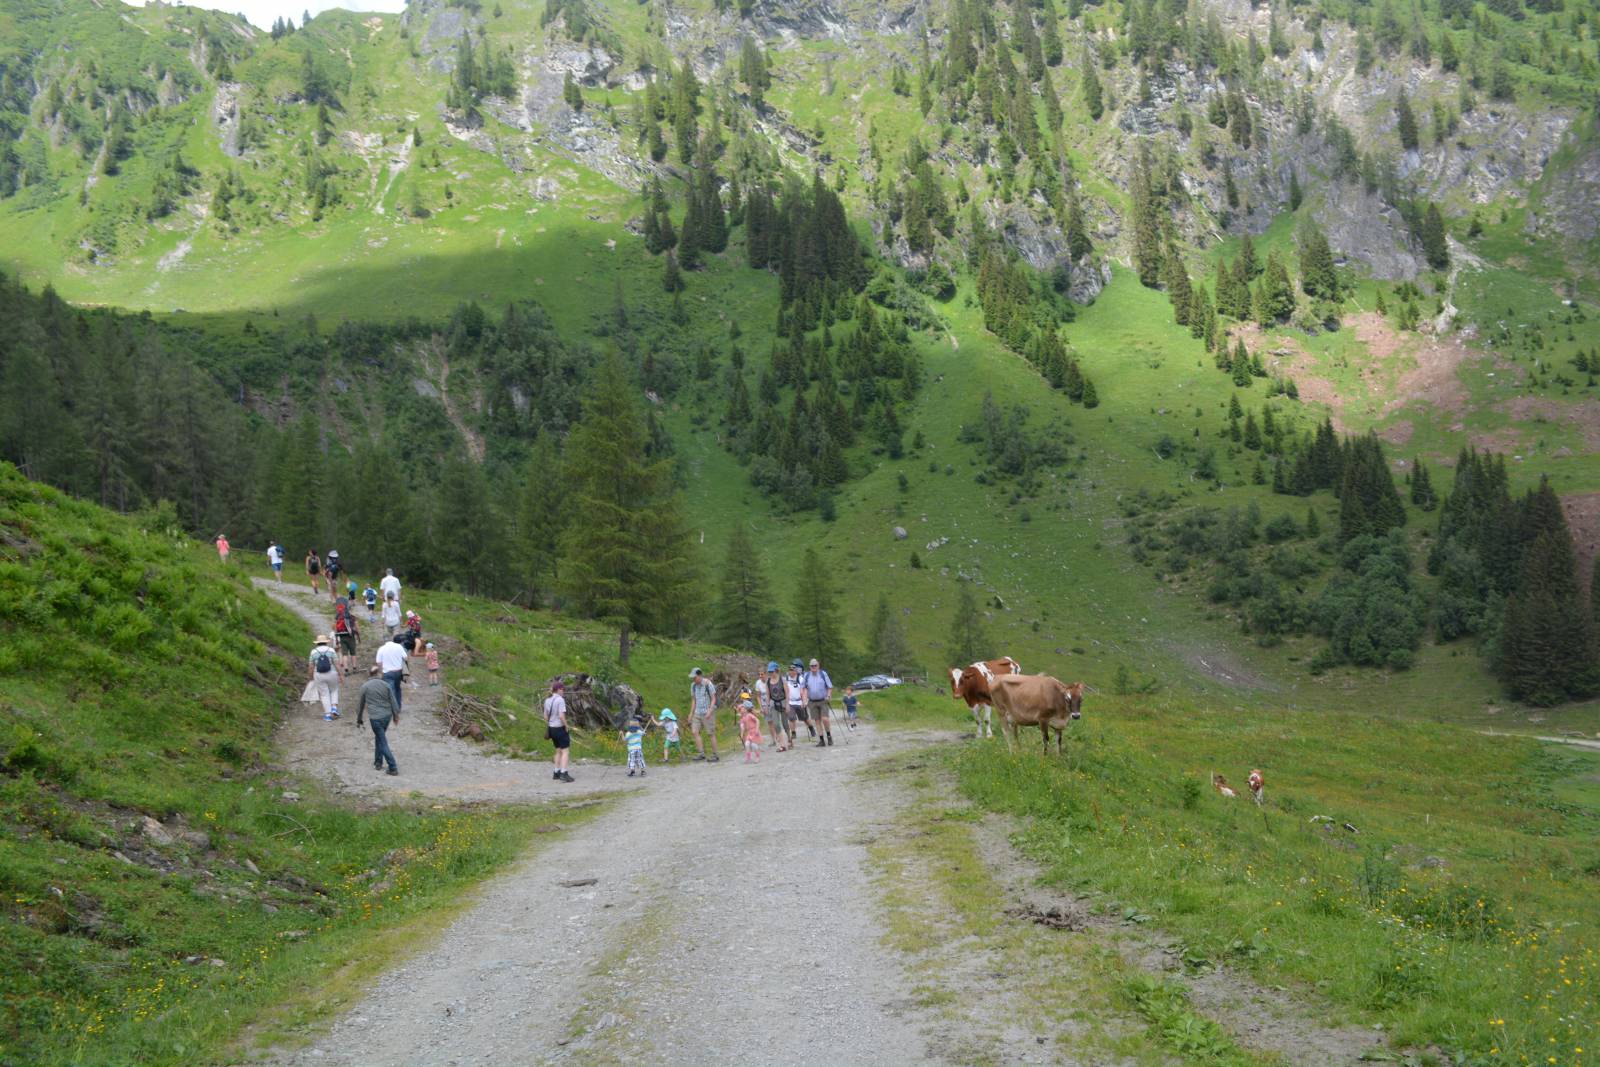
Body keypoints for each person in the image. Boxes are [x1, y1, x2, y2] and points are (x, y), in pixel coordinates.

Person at [355, 665, 400, 776]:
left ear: (369, 674)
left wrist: (359, 719)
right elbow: (394, 702)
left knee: (382, 741)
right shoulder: (386, 685)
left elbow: (359, 706)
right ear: (379, 674)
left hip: (375, 718)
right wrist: (395, 716)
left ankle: (393, 767)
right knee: (379, 738)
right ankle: (378, 762)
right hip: (387, 716)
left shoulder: (365, 686)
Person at [306, 634, 342, 721]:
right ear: (326, 642)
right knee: (334, 690)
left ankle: (328, 715)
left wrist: (310, 677)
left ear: (317, 643)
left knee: (324, 694)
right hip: (332, 673)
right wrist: (341, 674)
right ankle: (334, 707)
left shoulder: (313, 652)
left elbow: (311, 666)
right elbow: (337, 664)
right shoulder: (331, 650)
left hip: (318, 675)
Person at [688, 667, 719, 762]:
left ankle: (715, 755)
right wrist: (691, 713)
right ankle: (701, 753)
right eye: (693, 678)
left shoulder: (708, 684)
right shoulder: (693, 685)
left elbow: (713, 698)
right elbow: (694, 700)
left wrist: (710, 711)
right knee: (694, 731)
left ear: (700, 675)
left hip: (707, 712)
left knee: (710, 733)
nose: (694, 679)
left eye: (695, 677)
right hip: (697, 712)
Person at [545, 680, 573, 783]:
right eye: (563, 689)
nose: (564, 691)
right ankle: (564, 773)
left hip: (551, 728)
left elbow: (545, 716)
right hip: (559, 728)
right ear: (559, 689)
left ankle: (556, 772)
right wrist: (566, 726)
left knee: (558, 750)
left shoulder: (547, 700)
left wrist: (551, 723)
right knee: (565, 751)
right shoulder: (560, 700)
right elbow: (561, 716)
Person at [804, 658, 835, 748]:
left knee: (825, 719)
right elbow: (804, 688)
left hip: (823, 700)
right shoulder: (806, 676)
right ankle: (821, 740)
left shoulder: (823, 674)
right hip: (812, 701)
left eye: (815, 665)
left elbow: (829, 687)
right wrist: (805, 700)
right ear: (809, 667)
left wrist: (828, 695)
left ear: (818, 666)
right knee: (817, 721)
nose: (813, 667)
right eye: (812, 666)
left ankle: (829, 736)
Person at [375, 631, 408, 714]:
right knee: (397, 689)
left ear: (384, 641)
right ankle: (398, 707)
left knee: (390, 690)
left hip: (387, 673)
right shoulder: (398, 647)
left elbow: (379, 662)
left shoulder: (381, 649)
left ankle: (393, 709)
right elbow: (406, 658)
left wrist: (380, 672)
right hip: (398, 672)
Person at [757, 662, 787, 751]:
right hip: (768, 704)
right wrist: (763, 706)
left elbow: (785, 692)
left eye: (762, 674)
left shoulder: (777, 680)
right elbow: (760, 695)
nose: (760, 676)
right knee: (772, 722)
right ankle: (776, 740)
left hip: (778, 702)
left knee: (781, 723)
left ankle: (785, 738)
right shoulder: (760, 683)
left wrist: (787, 703)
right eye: (759, 674)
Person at [332, 595, 360, 674]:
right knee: (353, 653)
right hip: (351, 636)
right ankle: (354, 668)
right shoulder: (351, 616)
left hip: (341, 636)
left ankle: (346, 670)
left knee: (344, 654)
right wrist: (358, 634)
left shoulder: (337, 616)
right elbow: (356, 627)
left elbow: (334, 627)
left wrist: (336, 635)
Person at [784, 661, 810, 741]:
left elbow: (805, 690)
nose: (791, 672)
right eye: (790, 670)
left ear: (795, 671)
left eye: (793, 670)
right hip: (790, 702)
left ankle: (811, 728)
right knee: (791, 718)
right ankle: (793, 733)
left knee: (804, 718)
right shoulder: (786, 678)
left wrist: (804, 701)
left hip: (799, 701)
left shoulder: (800, 678)